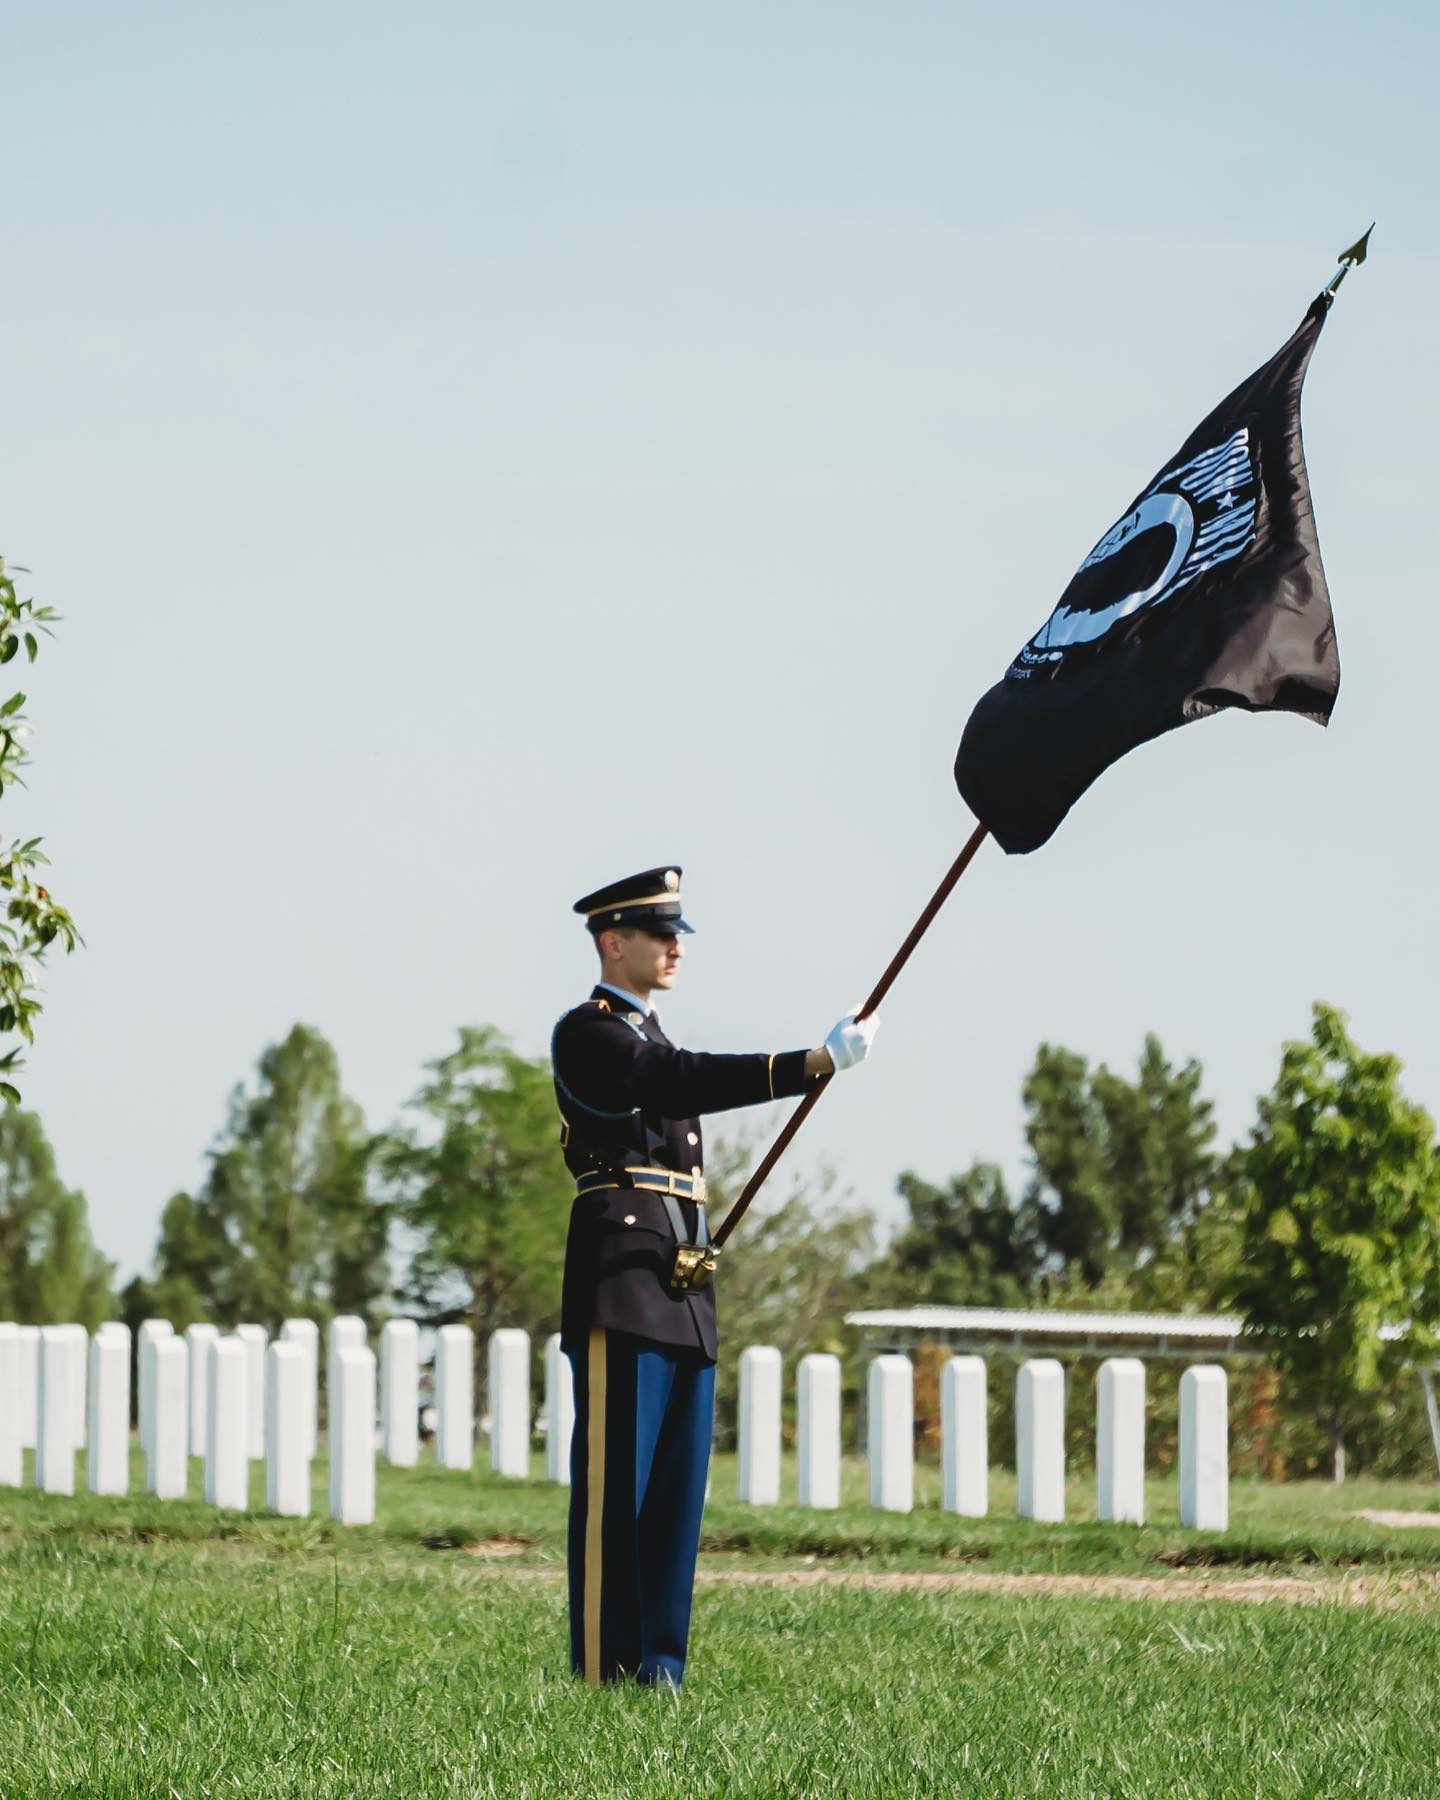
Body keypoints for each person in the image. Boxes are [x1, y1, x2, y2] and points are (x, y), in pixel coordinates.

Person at [551, 864, 878, 1689]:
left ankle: (660, 1672)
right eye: (658, 934)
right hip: (622, 1282)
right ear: (611, 939)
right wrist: (806, 1061)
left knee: (673, 1500)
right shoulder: (590, 1033)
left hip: (680, 1283)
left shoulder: (650, 1038)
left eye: (677, 935)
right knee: (615, 1495)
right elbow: (671, 1080)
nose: (673, 948)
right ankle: (602, 1672)